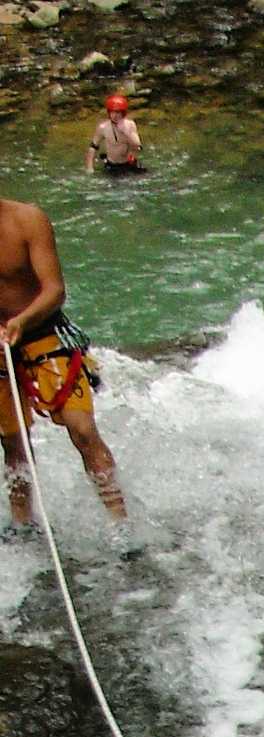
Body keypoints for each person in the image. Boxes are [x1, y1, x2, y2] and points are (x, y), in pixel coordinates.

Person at [0, 197, 127, 524]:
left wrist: (21, 322)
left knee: (82, 429)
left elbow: (54, 290)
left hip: (42, 328)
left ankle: (119, 521)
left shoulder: (28, 220)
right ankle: (22, 524)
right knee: (14, 442)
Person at [85, 94, 144, 175]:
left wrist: (126, 132)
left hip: (128, 163)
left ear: (123, 113)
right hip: (112, 164)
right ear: (109, 113)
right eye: (112, 112)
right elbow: (93, 147)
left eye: (118, 112)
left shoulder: (130, 125)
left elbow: (138, 146)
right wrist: (89, 167)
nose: (115, 116)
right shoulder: (103, 127)